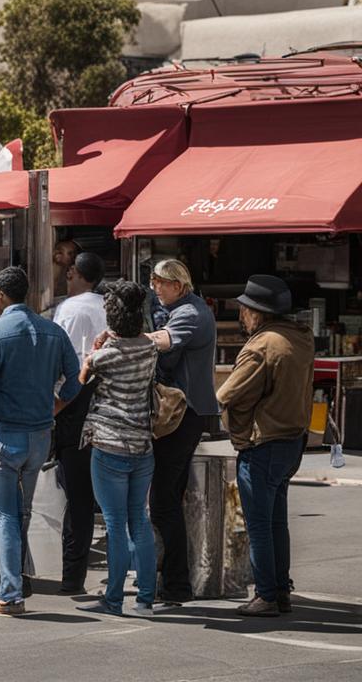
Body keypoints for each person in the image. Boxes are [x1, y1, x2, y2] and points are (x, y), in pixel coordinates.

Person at [0, 266, 80, 616]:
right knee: (20, 512)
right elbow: (74, 381)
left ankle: (10, 592)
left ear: (0, 295)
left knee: (2, 515)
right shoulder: (53, 332)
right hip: (40, 435)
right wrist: (53, 406)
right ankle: (17, 578)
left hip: (1, 436)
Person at [217, 275, 313, 617]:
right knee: (276, 523)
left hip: (264, 443)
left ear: (257, 312)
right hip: (292, 441)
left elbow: (227, 394)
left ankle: (267, 595)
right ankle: (281, 590)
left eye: (244, 310)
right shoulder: (300, 337)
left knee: (260, 525)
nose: (241, 315)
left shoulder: (261, 346)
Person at [75, 282, 159, 617]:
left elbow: (82, 378)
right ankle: (146, 600)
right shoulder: (150, 349)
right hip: (143, 444)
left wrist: (97, 345)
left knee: (115, 523)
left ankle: (113, 598)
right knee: (139, 520)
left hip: (109, 445)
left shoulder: (104, 357)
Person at [146, 259, 218, 604]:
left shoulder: (190, 313)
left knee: (163, 501)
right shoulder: (181, 309)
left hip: (183, 413)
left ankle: (176, 584)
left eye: (162, 282)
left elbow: (163, 341)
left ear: (180, 285)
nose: (155, 288)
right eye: (153, 282)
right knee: (167, 498)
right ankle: (171, 580)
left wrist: (126, 339)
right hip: (184, 412)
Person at [51, 251, 107, 594]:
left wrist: (55, 407)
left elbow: (67, 367)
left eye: (69, 272)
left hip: (77, 404)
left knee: (79, 498)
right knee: (116, 501)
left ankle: (73, 577)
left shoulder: (71, 309)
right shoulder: (106, 307)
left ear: (75, 274)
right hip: (111, 410)